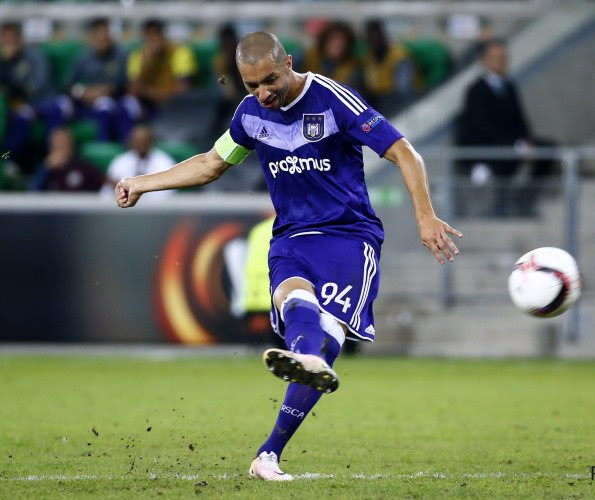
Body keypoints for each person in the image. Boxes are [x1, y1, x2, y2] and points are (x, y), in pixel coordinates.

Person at [114, 31, 461, 481]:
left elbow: (402, 151)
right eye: (251, 85)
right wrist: (142, 182)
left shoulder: (332, 99)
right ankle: (301, 365)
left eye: (270, 80)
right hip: (292, 236)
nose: (263, 93)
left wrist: (425, 215)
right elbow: (211, 164)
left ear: (289, 62)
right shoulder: (250, 114)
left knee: (329, 331)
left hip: (347, 237)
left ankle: (271, 447)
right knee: (292, 297)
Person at [455, 38, 555, 217]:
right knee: (507, 160)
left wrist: (526, 141)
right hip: (488, 147)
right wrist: (514, 144)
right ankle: (499, 207)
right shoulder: (476, 90)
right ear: (484, 60)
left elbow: (520, 120)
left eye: (502, 57)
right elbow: (481, 127)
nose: (500, 61)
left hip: (513, 144)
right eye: (494, 57)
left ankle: (524, 201)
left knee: (547, 150)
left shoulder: (509, 86)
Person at [0, 21, 66, 173]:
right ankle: (6, 159)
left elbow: (36, 86)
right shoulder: (3, 62)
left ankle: (55, 163)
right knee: (20, 119)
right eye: (5, 39)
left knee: (52, 112)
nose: (9, 42)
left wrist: (18, 94)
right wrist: (5, 63)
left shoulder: (35, 56)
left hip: (45, 103)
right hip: (21, 108)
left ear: (19, 39)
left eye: (12, 38)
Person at [66, 17, 131, 142]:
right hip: (87, 105)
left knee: (110, 106)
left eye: (105, 36)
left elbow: (126, 83)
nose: (103, 39)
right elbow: (68, 85)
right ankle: (100, 146)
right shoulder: (83, 58)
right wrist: (83, 92)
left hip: (116, 101)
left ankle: (119, 146)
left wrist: (108, 90)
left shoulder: (121, 55)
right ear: (92, 37)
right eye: (99, 36)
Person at [126, 19, 198, 120]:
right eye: (149, 37)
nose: (153, 41)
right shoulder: (138, 55)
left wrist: (149, 92)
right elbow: (133, 91)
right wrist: (145, 65)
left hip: (175, 107)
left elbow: (183, 90)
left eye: (156, 35)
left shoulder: (180, 52)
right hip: (148, 106)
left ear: (163, 36)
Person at [100, 124, 175, 197]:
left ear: (151, 141)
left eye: (144, 140)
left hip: (156, 206)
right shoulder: (120, 161)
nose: (140, 144)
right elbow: (107, 191)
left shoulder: (164, 161)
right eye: (137, 140)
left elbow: (168, 192)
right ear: (130, 141)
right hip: (124, 207)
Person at [361, 19, 415, 115]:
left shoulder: (399, 56)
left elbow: (403, 89)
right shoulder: (368, 58)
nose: (374, 40)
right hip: (377, 102)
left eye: (377, 35)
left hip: (399, 102)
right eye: (370, 36)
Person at [30, 127, 104, 192]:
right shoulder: (46, 170)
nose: (61, 146)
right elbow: (34, 193)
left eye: (64, 142)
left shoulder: (84, 166)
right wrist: (46, 169)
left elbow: (106, 185)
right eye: (58, 143)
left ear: (72, 144)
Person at [303, 21, 363, 90]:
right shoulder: (308, 61)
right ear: (324, 42)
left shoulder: (354, 70)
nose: (337, 45)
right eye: (333, 40)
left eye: (341, 42)